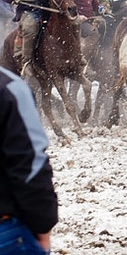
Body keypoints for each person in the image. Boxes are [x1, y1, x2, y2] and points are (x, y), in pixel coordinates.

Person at [0, 67, 58, 254]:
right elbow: (30, 166)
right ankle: (28, 60)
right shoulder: (10, 88)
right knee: (31, 36)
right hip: (6, 228)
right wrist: (44, 222)